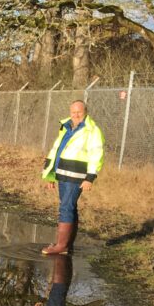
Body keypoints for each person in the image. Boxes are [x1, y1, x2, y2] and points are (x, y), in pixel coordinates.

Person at [40, 100, 104, 255]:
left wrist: (89, 178)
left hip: (76, 176)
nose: (75, 115)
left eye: (79, 112)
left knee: (65, 208)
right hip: (62, 173)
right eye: (73, 112)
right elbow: (56, 151)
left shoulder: (92, 130)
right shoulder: (66, 126)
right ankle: (67, 245)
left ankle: (61, 246)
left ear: (86, 112)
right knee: (69, 207)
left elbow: (96, 155)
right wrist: (50, 175)